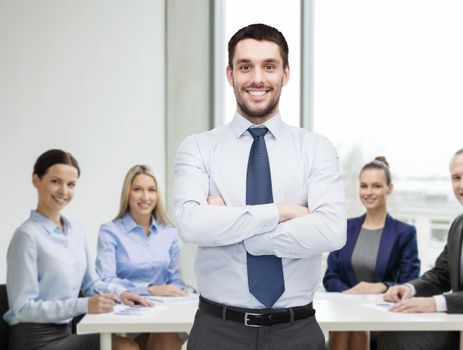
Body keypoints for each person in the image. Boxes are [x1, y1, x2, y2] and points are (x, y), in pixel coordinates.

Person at [173, 23, 346, 349]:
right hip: (217, 331)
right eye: (245, 67)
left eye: (269, 66)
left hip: (296, 331)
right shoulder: (198, 148)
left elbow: (331, 231)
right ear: (230, 74)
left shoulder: (316, 149)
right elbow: (191, 224)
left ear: (286, 73)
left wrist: (238, 228)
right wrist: (282, 212)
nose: (257, 79)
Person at [4, 149, 149, 350]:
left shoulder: (76, 230)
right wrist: (84, 305)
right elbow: (22, 308)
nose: (64, 191)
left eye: (71, 184)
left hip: (67, 332)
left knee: (140, 343)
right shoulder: (27, 236)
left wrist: (121, 293)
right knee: (126, 348)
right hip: (34, 340)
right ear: (36, 180)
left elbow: (92, 283)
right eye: (55, 181)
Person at [379, 146, 463, 350]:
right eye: (456, 178)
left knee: (400, 340)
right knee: (387, 335)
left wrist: (436, 303)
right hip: (462, 329)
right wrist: (409, 288)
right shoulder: (460, 224)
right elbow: (442, 274)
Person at [323, 157, 420, 350]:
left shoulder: (404, 233)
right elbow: (330, 277)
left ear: (389, 188)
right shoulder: (346, 228)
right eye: (364, 186)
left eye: (376, 186)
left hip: (382, 313)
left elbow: (411, 281)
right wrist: (351, 296)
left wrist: (381, 286)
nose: (368, 192)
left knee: (356, 325)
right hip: (346, 310)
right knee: (348, 324)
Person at [96, 165, 186, 350]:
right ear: (127, 193)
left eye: (151, 190)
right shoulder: (110, 231)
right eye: (137, 189)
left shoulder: (169, 233)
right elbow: (105, 280)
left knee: (167, 336)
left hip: (161, 314)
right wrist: (150, 289)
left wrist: (174, 291)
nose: (146, 197)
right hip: (122, 315)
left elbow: (175, 279)